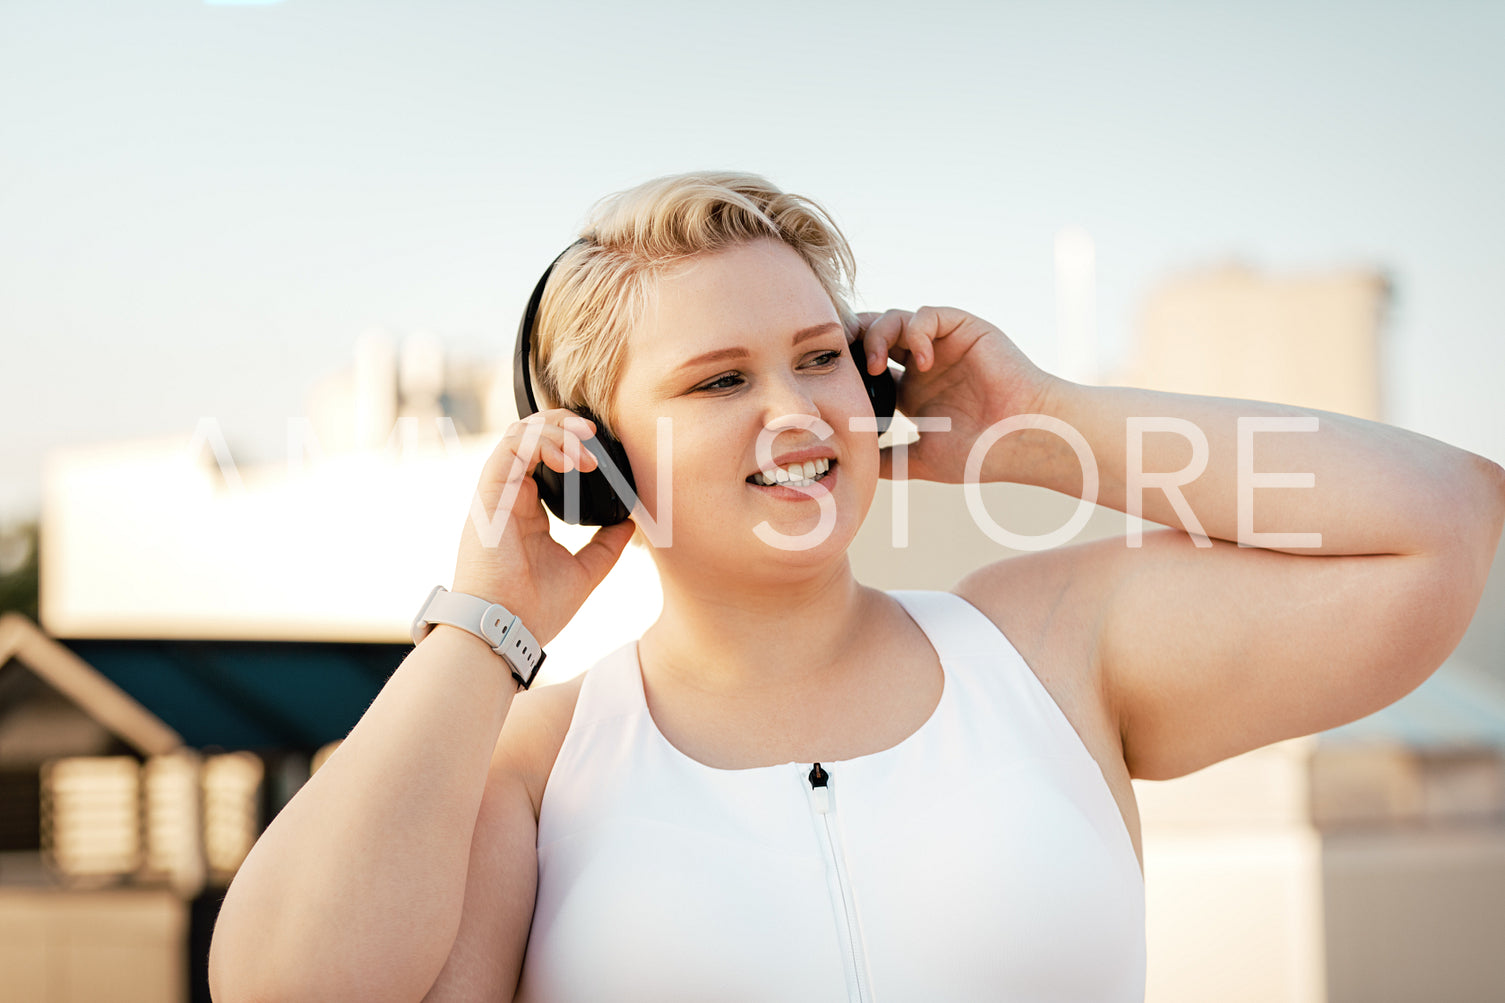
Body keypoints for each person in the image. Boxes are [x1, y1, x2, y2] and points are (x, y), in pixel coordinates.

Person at [208, 172, 1505, 1003]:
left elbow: (1440, 525)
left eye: (821, 358)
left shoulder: (1052, 649)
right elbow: (285, 986)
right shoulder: (528, 767)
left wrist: (1038, 425)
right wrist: (488, 621)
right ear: (590, 452)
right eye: (719, 380)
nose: (795, 411)